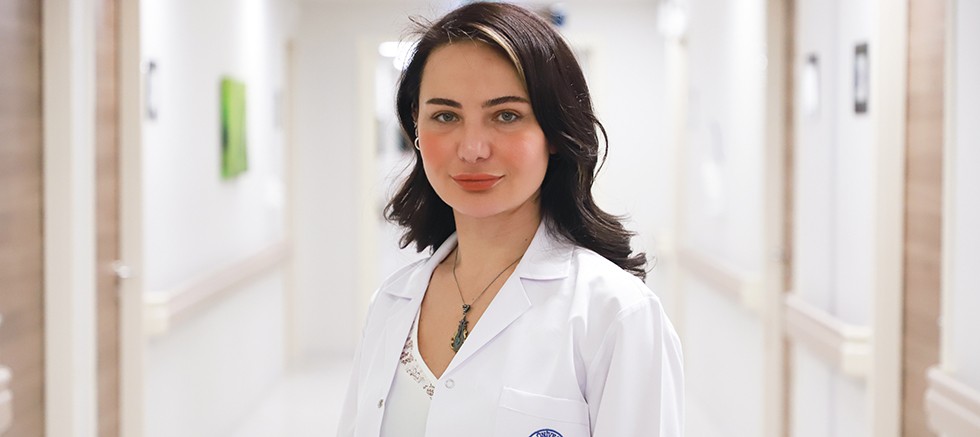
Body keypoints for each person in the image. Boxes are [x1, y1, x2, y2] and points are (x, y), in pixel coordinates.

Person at [338, 2, 683, 436]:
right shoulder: (391, 304)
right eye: (445, 116)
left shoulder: (615, 315)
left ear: (554, 132)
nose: (473, 149)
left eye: (506, 115)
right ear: (416, 130)